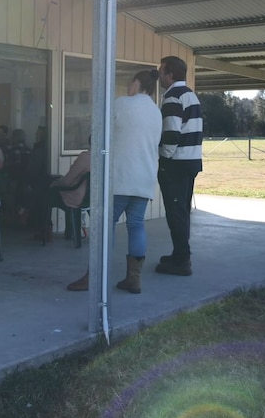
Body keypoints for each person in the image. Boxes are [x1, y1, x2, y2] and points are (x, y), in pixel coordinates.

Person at [66, 70, 162, 293]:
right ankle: (133, 279)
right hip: (144, 178)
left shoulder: (121, 105)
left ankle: (94, 277)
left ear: (137, 83)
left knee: (104, 227)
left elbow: (100, 133)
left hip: (120, 178)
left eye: (130, 83)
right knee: (136, 225)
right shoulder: (156, 112)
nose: (128, 87)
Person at [154, 56, 203, 277]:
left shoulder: (173, 97)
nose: (159, 76)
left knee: (176, 213)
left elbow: (171, 134)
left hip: (176, 164)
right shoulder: (190, 95)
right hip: (191, 161)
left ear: (170, 74)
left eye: (161, 71)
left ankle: (182, 260)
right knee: (182, 211)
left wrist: (163, 156)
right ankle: (180, 254)